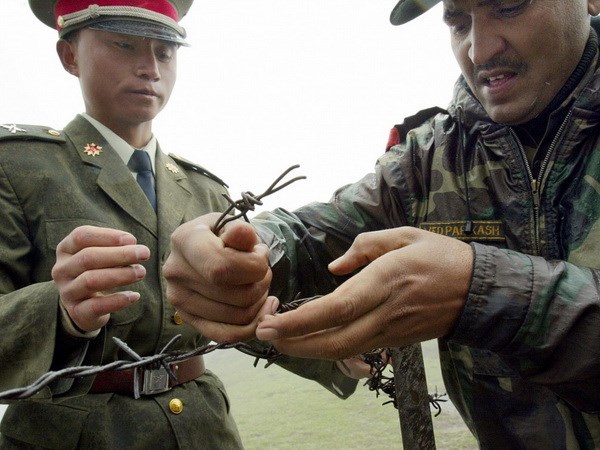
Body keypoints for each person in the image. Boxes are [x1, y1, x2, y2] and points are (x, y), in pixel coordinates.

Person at [163, 0, 600, 448]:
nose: (480, 50)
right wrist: (244, 253)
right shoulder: (431, 157)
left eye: (508, 7)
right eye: (457, 21)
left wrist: (483, 292)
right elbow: (320, 237)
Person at [0, 1, 363, 448]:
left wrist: (340, 350)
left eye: (165, 52)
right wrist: (60, 312)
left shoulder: (204, 190)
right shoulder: (18, 168)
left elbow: (237, 314)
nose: (149, 68)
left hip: (202, 428)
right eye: (123, 45)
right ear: (69, 56)